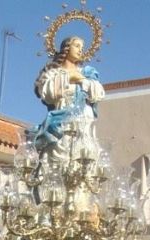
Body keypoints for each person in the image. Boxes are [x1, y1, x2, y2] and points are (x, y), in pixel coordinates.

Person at [33, 36, 105, 165]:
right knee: (59, 157)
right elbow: (46, 93)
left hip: (83, 121)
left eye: (82, 48)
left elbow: (98, 93)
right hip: (61, 121)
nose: (80, 50)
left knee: (83, 155)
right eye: (76, 46)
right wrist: (67, 77)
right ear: (66, 48)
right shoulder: (53, 73)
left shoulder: (87, 72)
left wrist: (80, 79)